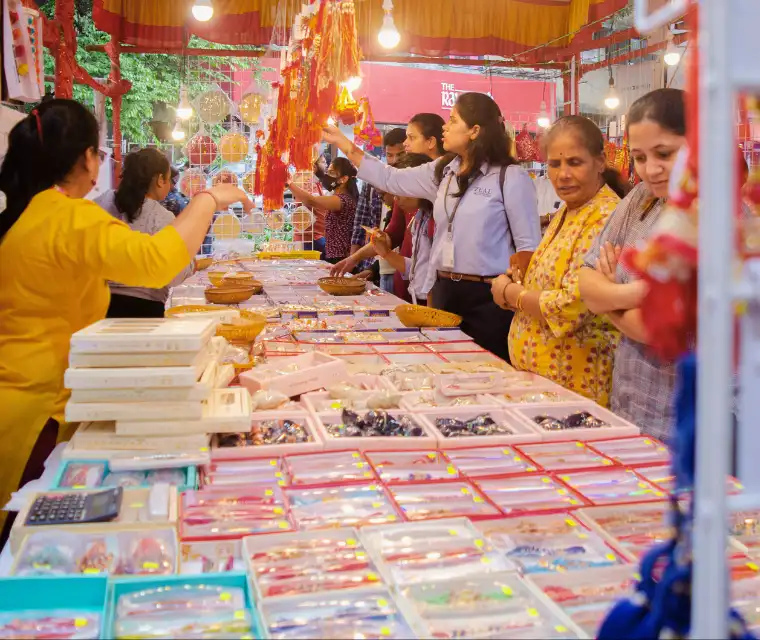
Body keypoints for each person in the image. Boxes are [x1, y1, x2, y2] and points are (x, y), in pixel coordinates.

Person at [0, 99, 252, 541]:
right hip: (35, 410)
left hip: (29, 396)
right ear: (86, 159)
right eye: (98, 152)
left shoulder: (32, 212)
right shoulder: (67, 215)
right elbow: (156, 262)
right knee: (22, 539)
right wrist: (209, 199)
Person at [323, 93, 540, 361]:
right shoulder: (443, 170)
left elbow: (529, 248)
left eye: (452, 120)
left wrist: (517, 297)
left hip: (490, 296)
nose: (445, 127)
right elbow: (390, 178)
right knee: (445, 367)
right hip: (444, 291)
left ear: (474, 130)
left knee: (487, 372)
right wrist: (343, 143)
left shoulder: (510, 177)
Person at [491, 116, 629, 406]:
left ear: (600, 162)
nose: (562, 174)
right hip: (544, 386)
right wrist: (522, 276)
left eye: (574, 163)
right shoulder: (569, 211)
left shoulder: (605, 218)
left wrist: (511, 294)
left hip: (578, 388)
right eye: (554, 164)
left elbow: (573, 305)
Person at [578, 88, 687, 438]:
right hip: (629, 402)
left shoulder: (717, 215)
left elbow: (654, 330)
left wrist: (607, 299)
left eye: (665, 153)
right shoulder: (643, 198)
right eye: (639, 157)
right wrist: (639, 292)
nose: (650, 169)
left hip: (686, 422)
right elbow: (586, 281)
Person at [331, 113, 446, 301]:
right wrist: (358, 259)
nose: (406, 144)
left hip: (433, 293)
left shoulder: (444, 184)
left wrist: (341, 141)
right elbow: (393, 236)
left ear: (431, 141)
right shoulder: (417, 209)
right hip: (411, 286)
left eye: (411, 138)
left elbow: (387, 178)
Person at [96, 149, 194, 318]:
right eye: (168, 179)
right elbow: (174, 273)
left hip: (95, 307)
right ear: (159, 180)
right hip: (144, 309)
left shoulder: (98, 205)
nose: (171, 186)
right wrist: (191, 265)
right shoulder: (161, 217)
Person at [370, 153, 436, 305]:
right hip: (418, 300)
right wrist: (385, 253)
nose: (395, 198)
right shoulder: (420, 217)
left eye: (401, 189)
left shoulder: (438, 219)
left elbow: (435, 277)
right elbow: (416, 269)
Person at [349, 128, 406, 265]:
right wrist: (353, 259)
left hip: (401, 260)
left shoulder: (413, 181)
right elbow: (360, 221)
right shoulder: (373, 181)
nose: (394, 160)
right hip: (374, 258)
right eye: (390, 155)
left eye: (400, 155)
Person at [288, 156, 358, 264]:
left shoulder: (343, 200)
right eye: (328, 171)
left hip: (341, 257)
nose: (327, 176)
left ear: (344, 179)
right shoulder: (338, 197)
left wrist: (289, 184)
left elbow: (312, 201)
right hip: (334, 254)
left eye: (332, 173)